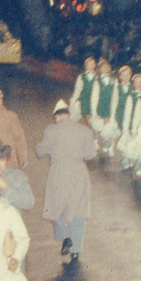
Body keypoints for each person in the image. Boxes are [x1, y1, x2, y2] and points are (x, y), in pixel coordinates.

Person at [35, 99, 97, 265]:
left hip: (59, 172)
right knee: (79, 211)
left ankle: (65, 235)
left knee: (55, 208)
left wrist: (39, 147)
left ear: (56, 117)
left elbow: (40, 152)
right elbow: (90, 154)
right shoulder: (85, 130)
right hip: (79, 172)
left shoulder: (51, 130)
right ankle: (75, 251)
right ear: (69, 115)